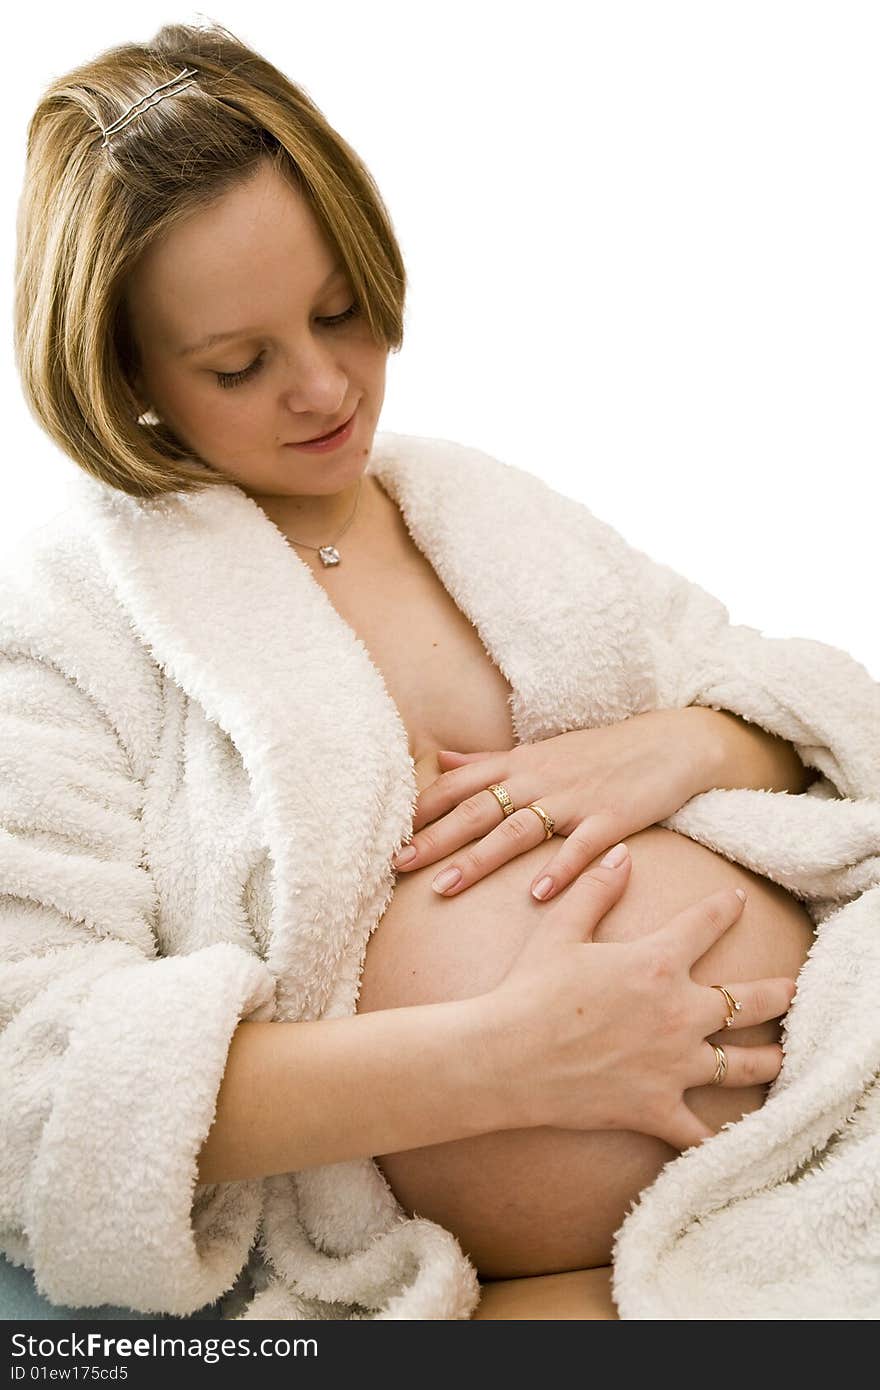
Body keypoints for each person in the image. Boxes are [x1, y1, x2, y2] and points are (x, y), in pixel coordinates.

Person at [3, 21, 866, 1322]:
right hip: (559, 1266)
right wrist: (509, 1060)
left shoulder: (474, 504)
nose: (326, 386)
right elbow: (41, 1093)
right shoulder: (72, 631)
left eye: (341, 308)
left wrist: (697, 740)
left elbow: (816, 707)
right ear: (127, 376)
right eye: (240, 364)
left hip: (840, 1094)